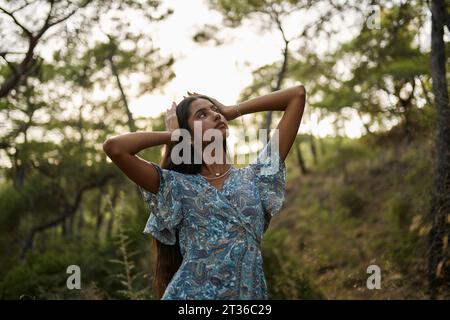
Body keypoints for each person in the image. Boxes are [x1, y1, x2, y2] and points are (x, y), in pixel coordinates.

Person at [103, 85, 306, 299]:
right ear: (187, 134)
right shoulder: (176, 186)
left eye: (214, 110)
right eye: (202, 115)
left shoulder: (256, 177)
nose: (215, 115)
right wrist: (173, 135)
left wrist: (230, 110)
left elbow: (296, 95)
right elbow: (115, 147)